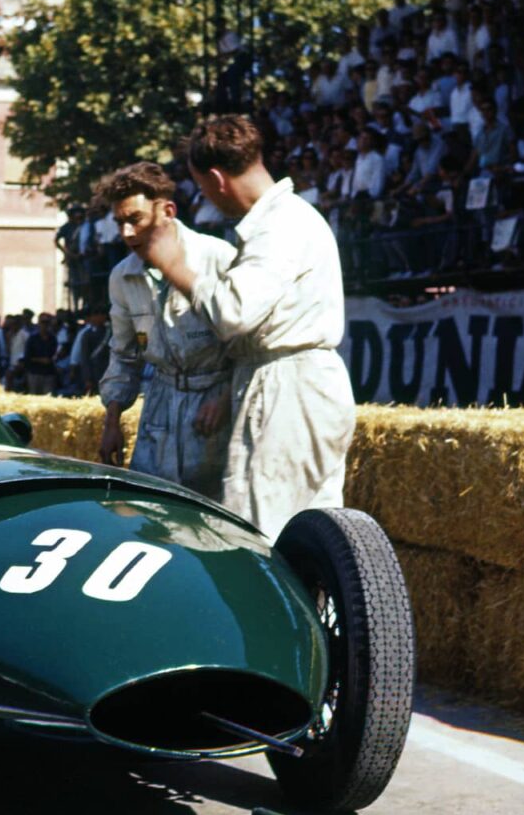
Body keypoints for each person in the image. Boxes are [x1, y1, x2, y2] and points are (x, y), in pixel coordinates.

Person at [140, 115, 355, 540]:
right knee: (311, 533)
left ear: (217, 179)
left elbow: (235, 312)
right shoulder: (290, 218)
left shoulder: (279, 225)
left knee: (261, 532)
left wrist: (176, 267)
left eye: (203, 188)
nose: (207, 198)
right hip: (295, 380)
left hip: (288, 387)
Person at [95, 162, 235, 500]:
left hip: (215, 408)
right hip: (160, 404)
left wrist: (225, 398)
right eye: (120, 223)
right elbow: (124, 353)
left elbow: (251, 344)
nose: (127, 234)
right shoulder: (122, 276)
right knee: (151, 508)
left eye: (135, 220)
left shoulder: (217, 258)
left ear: (167, 211)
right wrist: (111, 421)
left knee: (215, 515)